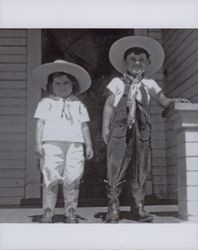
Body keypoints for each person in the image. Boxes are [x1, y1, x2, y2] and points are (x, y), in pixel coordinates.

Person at [102, 36, 188, 223]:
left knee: (141, 165)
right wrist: (105, 128)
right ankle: (113, 205)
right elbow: (109, 105)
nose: (137, 63)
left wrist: (174, 101)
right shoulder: (116, 83)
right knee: (115, 164)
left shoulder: (149, 84)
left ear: (148, 63)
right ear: (124, 62)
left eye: (141, 60)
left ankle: (138, 205)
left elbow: (163, 101)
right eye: (133, 59)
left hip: (142, 130)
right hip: (119, 129)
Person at [32, 60, 94, 223]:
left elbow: (84, 126)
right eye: (57, 83)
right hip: (51, 143)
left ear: (73, 84)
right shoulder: (45, 103)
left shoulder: (78, 104)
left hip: (74, 144)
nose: (62, 86)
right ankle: (47, 211)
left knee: (73, 176)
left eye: (66, 82)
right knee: (50, 175)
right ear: (50, 85)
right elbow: (40, 124)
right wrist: (38, 144)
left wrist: (89, 144)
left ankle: (71, 210)